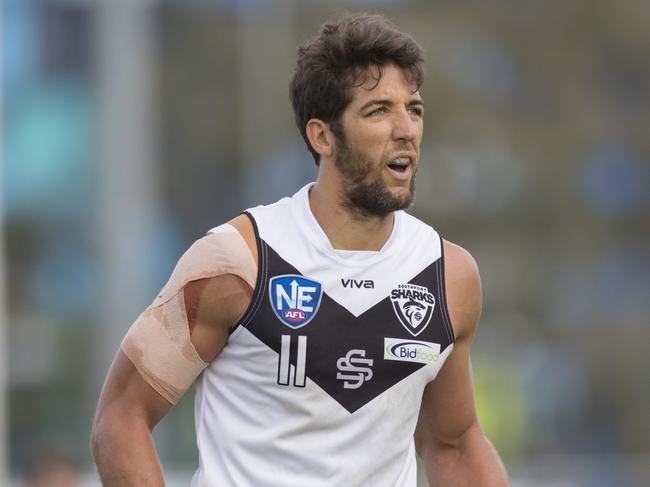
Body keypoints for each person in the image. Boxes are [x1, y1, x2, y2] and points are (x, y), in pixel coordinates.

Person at [91, 12, 510, 487]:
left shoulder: (448, 276)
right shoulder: (239, 260)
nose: (406, 130)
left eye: (413, 109)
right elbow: (121, 418)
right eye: (378, 111)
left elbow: (453, 444)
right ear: (322, 136)